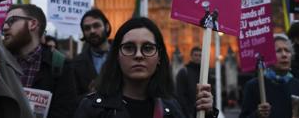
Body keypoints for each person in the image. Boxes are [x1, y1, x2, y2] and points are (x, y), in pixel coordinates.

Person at [75, 17, 217, 118]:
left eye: (148, 48)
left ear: (159, 57)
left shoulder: (173, 109)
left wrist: (207, 113)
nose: (138, 55)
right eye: (129, 47)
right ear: (117, 56)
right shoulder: (92, 108)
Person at [2, 3, 76, 117]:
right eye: (5, 23)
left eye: (12, 21)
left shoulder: (60, 65)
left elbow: (65, 112)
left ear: (32, 24)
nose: (5, 27)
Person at [240, 34, 299, 118]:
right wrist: (257, 115)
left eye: (287, 51)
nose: (284, 55)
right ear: (268, 56)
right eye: (278, 51)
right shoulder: (254, 86)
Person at [73, 8, 111, 99]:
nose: (92, 31)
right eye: (87, 28)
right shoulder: (76, 63)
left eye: (96, 25)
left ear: (106, 27)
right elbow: (72, 101)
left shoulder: (123, 56)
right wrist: (90, 95)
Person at [176, 47, 203, 115]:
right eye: (196, 55)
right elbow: (180, 95)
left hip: (202, 111)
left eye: (200, 55)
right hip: (188, 113)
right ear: (191, 56)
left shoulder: (204, 73)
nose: (198, 57)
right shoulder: (184, 72)